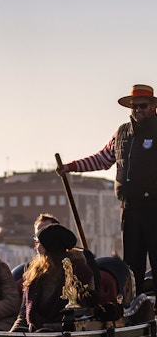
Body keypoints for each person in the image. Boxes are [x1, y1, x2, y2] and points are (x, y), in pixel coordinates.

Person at [56, 84, 157, 298]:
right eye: (134, 107)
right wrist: (71, 167)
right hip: (129, 208)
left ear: (153, 106)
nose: (137, 110)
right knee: (132, 262)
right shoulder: (121, 133)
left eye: (142, 106)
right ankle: (134, 305)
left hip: (154, 207)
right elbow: (102, 159)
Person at [10, 223, 94, 332]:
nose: (35, 247)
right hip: (34, 332)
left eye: (37, 243)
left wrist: (48, 330)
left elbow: (84, 314)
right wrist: (12, 335)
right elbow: (24, 312)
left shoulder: (79, 271)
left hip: (64, 334)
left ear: (48, 247)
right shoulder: (34, 269)